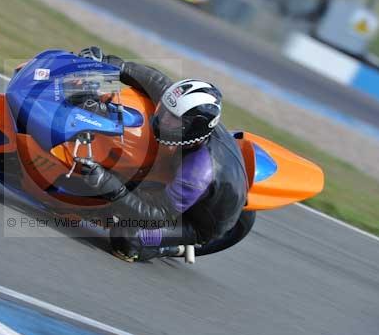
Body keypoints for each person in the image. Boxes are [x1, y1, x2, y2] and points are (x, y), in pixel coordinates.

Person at [76, 46, 254, 262]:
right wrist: (108, 64)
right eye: (165, 111)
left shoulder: (198, 172)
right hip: (183, 180)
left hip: (190, 220)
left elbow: (157, 214)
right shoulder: (187, 115)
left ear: (194, 128)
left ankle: (172, 248)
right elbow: (157, 82)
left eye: (173, 119)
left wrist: (107, 184)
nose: (163, 118)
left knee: (128, 236)